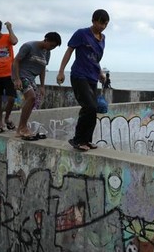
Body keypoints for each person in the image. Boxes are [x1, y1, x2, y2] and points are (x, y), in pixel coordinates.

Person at [56, 9, 110, 151]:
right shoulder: (81, 33)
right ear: (93, 21)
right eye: (101, 23)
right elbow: (69, 51)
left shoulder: (103, 38)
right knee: (89, 107)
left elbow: (95, 58)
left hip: (93, 77)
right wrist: (61, 71)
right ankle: (77, 140)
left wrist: (100, 72)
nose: (103, 27)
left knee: (93, 109)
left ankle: (87, 140)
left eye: (105, 24)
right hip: (79, 75)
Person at [12, 32, 62, 140]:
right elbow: (16, 61)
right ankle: (22, 127)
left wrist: (42, 86)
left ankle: (21, 127)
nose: (52, 48)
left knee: (32, 101)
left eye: (54, 47)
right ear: (46, 40)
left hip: (31, 79)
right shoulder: (29, 46)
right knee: (31, 97)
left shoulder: (47, 52)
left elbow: (42, 68)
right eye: (51, 45)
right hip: (21, 76)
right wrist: (16, 79)